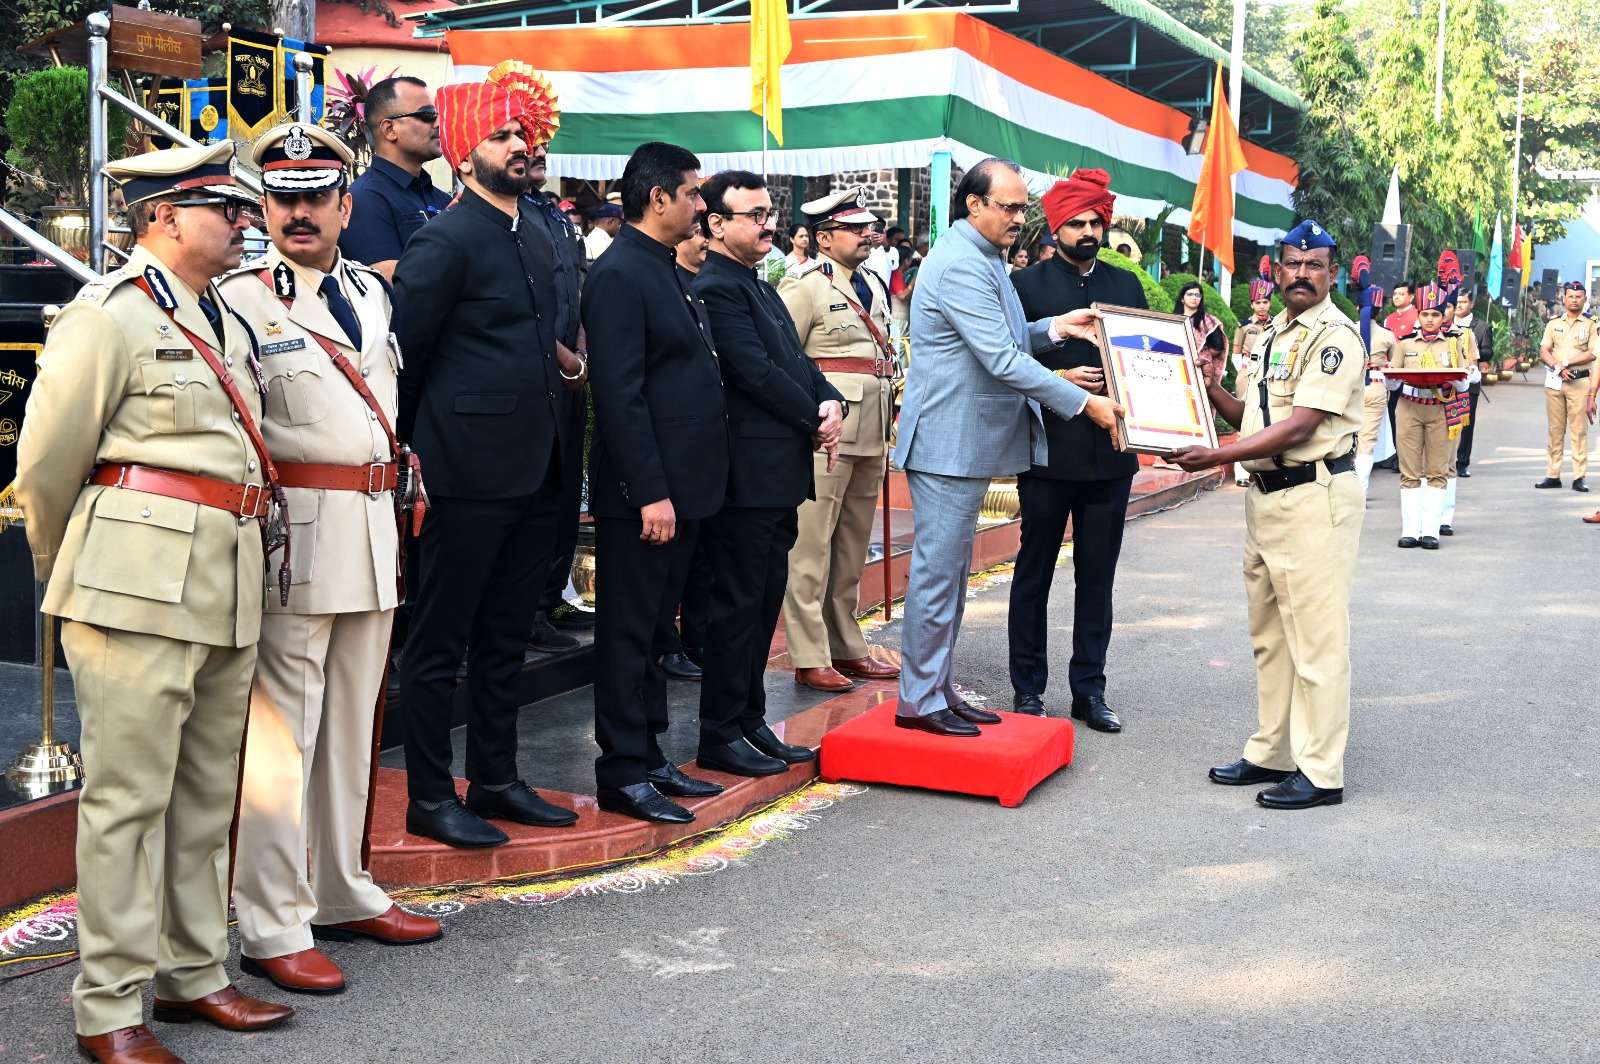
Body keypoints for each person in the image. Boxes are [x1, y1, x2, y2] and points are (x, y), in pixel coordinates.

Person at [15, 142, 294, 1063]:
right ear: (164, 216)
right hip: (135, 583)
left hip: (225, 576)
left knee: (208, 793)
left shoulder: (220, 316)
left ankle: (193, 973)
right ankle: (109, 1007)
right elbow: (48, 464)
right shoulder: (110, 314)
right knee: (129, 803)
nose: (246, 223)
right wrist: (75, 571)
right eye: (227, 208)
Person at [222, 123, 441, 996]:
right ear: (264, 207)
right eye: (284, 198)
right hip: (298, 535)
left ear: (348, 205)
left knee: (354, 724)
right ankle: (272, 918)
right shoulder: (241, 297)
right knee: (282, 739)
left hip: (372, 526)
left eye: (316, 196)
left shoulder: (371, 293)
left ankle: (341, 888)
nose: (300, 212)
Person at [394, 77, 580, 848]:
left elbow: (543, 334)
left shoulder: (537, 228)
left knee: (507, 631)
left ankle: (498, 778)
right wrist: (411, 454)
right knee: (442, 640)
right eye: (501, 135)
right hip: (464, 468)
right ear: (466, 150)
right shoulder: (444, 237)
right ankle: (431, 794)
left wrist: (567, 367)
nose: (518, 145)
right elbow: (408, 353)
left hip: (540, 464)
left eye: (523, 134)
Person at [893, 157, 1119, 737]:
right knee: (938, 576)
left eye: (1024, 208)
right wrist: (1083, 403)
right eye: (1010, 207)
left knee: (950, 575)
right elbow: (1000, 359)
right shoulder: (964, 264)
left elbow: (1009, 339)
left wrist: (1056, 329)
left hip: (964, 442)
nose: (1020, 218)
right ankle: (919, 701)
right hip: (948, 441)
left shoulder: (981, 256)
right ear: (974, 204)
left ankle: (939, 689)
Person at [1170, 219, 1364, 811]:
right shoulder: (1274, 334)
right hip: (1268, 499)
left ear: (1332, 272)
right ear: (1276, 270)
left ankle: (1321, 770)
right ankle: (1273, 750)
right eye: (1291, 264)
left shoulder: (1337, 338)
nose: (1301, 274)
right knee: (1271, 637)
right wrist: (1209, 392)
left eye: (1314, 265)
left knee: (1317, 639)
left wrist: (1218, 456)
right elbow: (1254, 418)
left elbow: (1302, 425)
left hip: (1314, 496)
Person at [582, 143, 729, 824]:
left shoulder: (663, 268)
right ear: (659, 196)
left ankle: (649, 755)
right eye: (694, 193)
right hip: (646, 494)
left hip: (683, 486)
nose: (702, 206)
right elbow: (620, 393)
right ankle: (621, 769)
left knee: (657, 635)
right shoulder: (619, 275)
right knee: (628, 631)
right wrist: (649, 491)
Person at [694, 170, 845, 772]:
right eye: (754, 215)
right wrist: (814, 414)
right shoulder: (717, 287)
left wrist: (829, 396)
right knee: (736, 604)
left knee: (762, 604)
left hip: (777, 473)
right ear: (716, 224)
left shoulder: (757, 282)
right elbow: (752, 372)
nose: (768, 224)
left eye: (768, 214)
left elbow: (797, 361)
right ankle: (720, 730)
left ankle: (750, 718)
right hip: (745, 476)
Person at [1006, 168, 1142, 730]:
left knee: (1098, 575)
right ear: (1057, 226)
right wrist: (1065, 383)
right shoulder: (1025, 287)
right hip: (1046, 450)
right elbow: (1005, 360)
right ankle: (1028, 691)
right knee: (1033, 570)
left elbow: (1145, 363)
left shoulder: (1126, 286)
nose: (1089, 231)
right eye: (1078, 222)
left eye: (1096, 221)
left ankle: (1089, 690)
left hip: (1111, 452)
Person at [777, 186, 902, 694]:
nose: (866, 235)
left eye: (868, 227)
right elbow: (785, 356)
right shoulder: (804, 284)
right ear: (825, 237)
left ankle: (846, 644)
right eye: (854, 228)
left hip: (872, 427)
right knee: (811, 545)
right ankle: (808, 653)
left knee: (852, 545)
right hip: (825, 431)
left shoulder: (871, 281)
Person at [518, 135, 592, 654]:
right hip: (533, 378)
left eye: (544, 145)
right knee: (531, 498)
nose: (537, 153)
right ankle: (519, 616)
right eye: (523, 142)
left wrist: (582, 350)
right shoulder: (508, 217)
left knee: (562, 498)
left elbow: (576, 290)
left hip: (570, 379)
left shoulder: (554, 214)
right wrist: (566, 358)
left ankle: (544, 606)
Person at [1385, 281, 1475, 548]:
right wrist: (1389, 375)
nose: (1430, 319)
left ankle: (1431, 531)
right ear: (1419, 314)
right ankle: (1410, 530)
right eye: (1425, 314)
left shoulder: (1452, 344)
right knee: (1409, 470)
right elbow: (1393, 383)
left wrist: (1460, 379)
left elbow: (1463, 383)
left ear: (1443, 315)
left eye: (1435, 314)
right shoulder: (1403, 344)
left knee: (1437, 470)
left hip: (1440, 408)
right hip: (1409, 407)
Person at [340, 76, 451, 281]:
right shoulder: (364, 199)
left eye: (439, 114)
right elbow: (390, 284)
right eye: (427, 115)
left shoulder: (442, 199)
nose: (438, 123)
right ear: (389, 129)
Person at [1535, 281, 1595, 492]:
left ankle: (1579, 476)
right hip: (1555, 382)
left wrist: (1567, 364)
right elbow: (1544, 350)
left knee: (1578, 431)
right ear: (1564, 298)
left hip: (1579, 383)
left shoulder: (1591, 324)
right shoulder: (1553, 323)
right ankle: (1553, 474)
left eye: (1579, 296)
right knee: (1555, 430)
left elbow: (1592, 353)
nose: (1574, 300)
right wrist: (1557, 367)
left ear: (1585, 299)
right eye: (1571, 296)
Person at [1232, 272, 1277, 485]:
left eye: (1265, 301)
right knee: (1243, 420)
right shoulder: (1243, 327)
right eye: (1258, 302)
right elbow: (1235, 354)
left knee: (1267, 420)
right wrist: (1245, 370)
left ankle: (1263, 469)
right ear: (1251, 304)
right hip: (1247, 373)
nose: (1262, 306)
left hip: (1270, 374)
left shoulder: (1278, 325)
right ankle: (1241, 473)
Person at [1451, 288, 1493, 478]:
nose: (1459, 305)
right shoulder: (1445, 323)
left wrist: (1470, 349)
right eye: (1457, 302)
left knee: (1466, 422)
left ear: (1472, 304)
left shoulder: (1481, 326)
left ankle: (1462, 462)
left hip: (1469, 378)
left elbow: (1488, 352)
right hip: (1448, 380)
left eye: (1463, 302)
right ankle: (1445, 459)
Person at [1178, 280, 1227, 387]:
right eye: (1190, 294)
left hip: (1199, 369)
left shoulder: (1208, 321)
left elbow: (1218, 347)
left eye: (1197, 295)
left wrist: (1200, 356)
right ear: (1182, 298)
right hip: (1177, 365)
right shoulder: (1175, 320)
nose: (1194, 297)